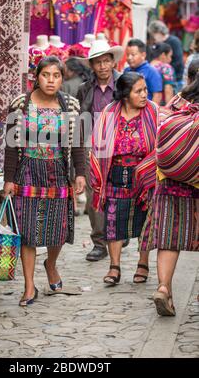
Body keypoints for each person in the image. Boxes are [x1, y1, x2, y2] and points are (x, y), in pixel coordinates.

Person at [3, 56, 86, 306]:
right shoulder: (19, 105)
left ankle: (50, 263)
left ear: (62, 78)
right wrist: (8, 179)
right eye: (45, 75)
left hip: (57, 172)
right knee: (26, 230)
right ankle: (29, 286)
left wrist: (80, 173)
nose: (51, 80)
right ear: (36, 77)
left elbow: (79, 142)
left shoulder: (71, 105)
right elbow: (10, 145)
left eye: (56, 75)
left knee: (57, 229)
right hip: (27, 170)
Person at [90, 73, 158, 286]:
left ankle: (143, 263)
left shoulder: (153, 112)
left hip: (145, 176)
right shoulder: (109, 113)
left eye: (145, 90)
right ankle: (114, 266)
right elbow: (98, 144)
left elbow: (160, 144)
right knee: (113, 220)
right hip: (115, 173)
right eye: (139, 91)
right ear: (126, 94)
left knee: (145, 220)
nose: (144, 95)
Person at [147, 72, 199, 316]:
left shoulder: (178, 101)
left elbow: (160, 134)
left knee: (169, 238)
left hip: (171, 181)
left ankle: (163, 287)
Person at [77, 39, 123, 261]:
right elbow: (79, 121)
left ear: (113, 62)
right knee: (95, 194)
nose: (103, 66)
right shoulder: (84, 89)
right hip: (92, 146)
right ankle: (99, 242)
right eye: (98, 62)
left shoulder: (124, 84)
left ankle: (118, 235)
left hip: (121, 146)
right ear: (92, 66)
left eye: (106, 61)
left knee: (119, 192)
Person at [148, 20, 184, 92]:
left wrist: (165, 71)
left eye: (153, 34)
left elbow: (178, 62)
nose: (153, 38)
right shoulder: (157, 43)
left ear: (159, 32)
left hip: (175, 80)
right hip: (162, 81)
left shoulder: (174, 41)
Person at [125, 39, 163, 104]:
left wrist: (151, 112)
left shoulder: (152, 71)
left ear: (143, 55)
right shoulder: (126, 70)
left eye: (133, 55)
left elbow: (157, 95)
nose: (129, 58)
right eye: (127, 55)